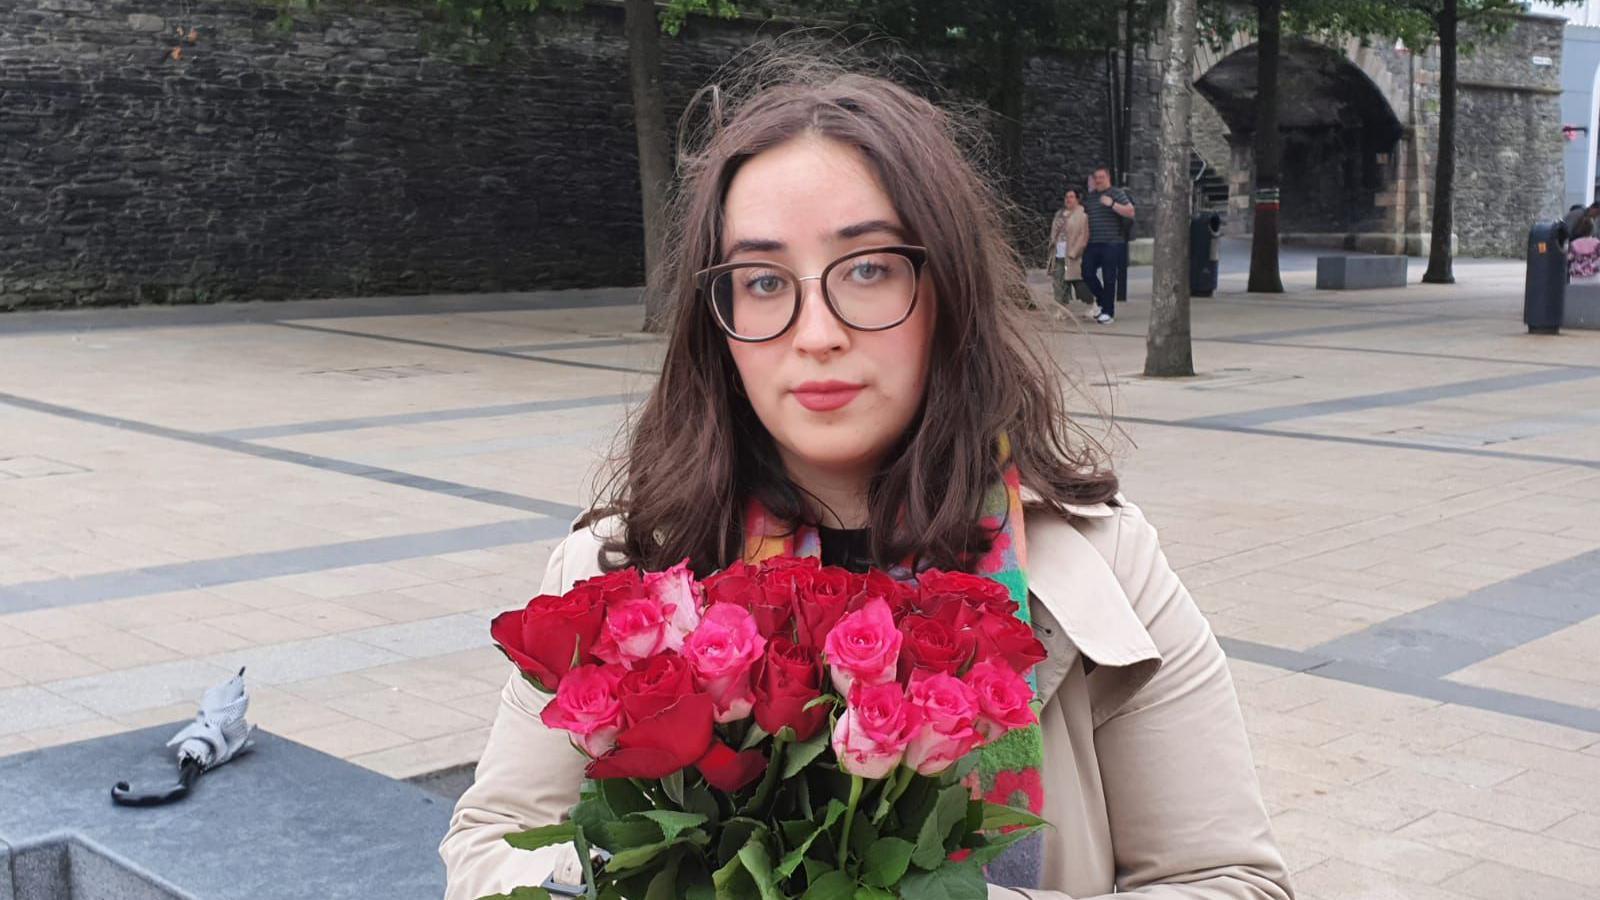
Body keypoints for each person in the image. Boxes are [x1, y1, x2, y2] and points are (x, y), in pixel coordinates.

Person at [440, 62, 1294, 900]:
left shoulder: (1106, 564)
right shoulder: (615, 572)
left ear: (948, 291)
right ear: (720, 319)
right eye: (765, 282)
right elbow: (490, 847)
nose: (816, 334)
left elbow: (1230, 880)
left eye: (869, 268)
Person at [1082, 166, 1135, 325]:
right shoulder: (1090, 198)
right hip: (1093, 243)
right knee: (1086, 272)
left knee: (1109, 277)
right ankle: (1103, 301)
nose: (1098, 180)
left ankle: (1108, 312)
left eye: (1101, 177)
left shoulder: (1116, 193)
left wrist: (1112, 204)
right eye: (1096, 177)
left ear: (1108, 178)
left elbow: (1130, 212)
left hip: (1112, 243)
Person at [1045, 188, 1090, 315]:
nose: (1068, 199)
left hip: (1073, 255)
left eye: (1071, 197)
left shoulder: (1082, 215)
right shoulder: (1059, 214)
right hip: (1058, 253)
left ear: (1077, 199)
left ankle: (1092, 304)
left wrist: (1076, 251)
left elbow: (1083, 235)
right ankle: (1061, 308)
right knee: (1058, 282)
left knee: (1079, 282)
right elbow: (1053, 233)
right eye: (1066, 197)